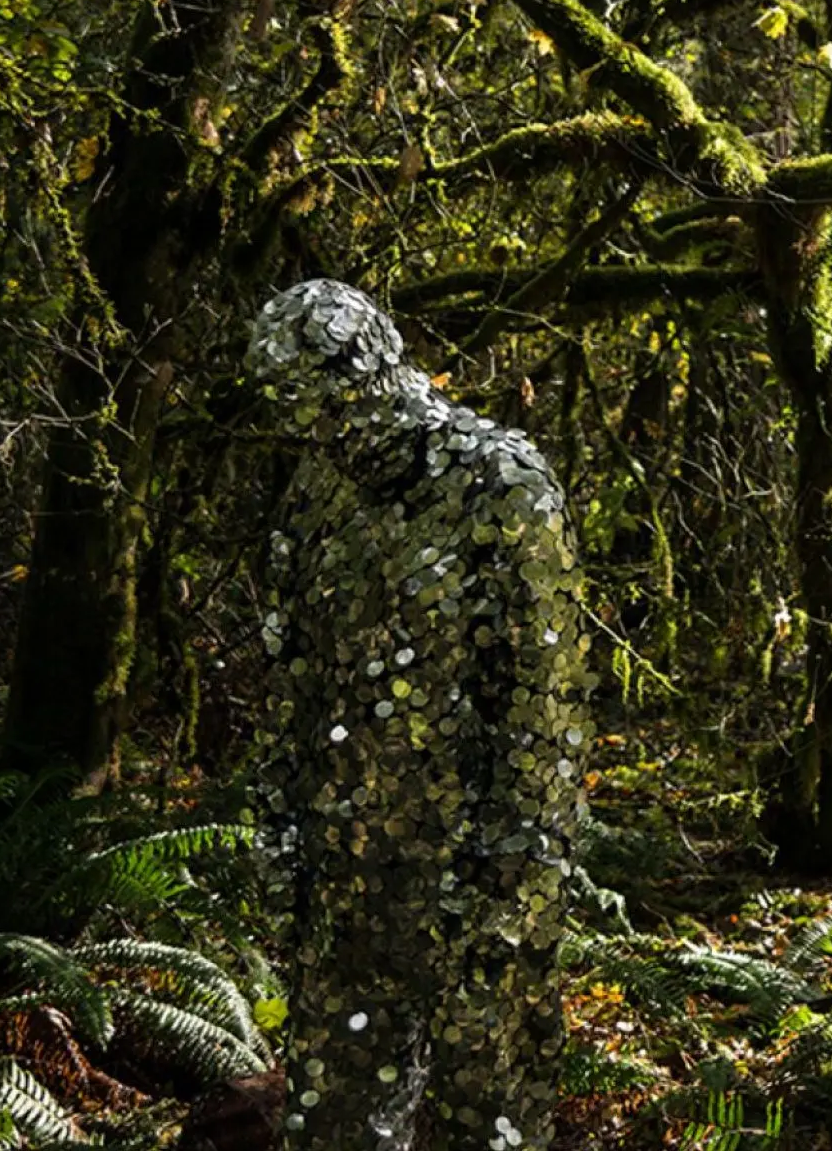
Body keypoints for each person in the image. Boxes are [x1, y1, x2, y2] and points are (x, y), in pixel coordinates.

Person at [247, 279, 587, 1149]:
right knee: (333, 1125)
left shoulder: (501, 486)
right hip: (347, 887)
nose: (306, 427)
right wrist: (280, 833)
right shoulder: (316, 501)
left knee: (489, 1121)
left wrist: (514, 894)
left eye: (316, 400)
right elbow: (291, 687)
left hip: (475, 887)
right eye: (290, 408)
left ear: (369, 374)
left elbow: (543, 711)